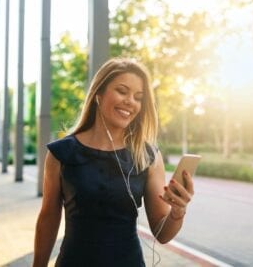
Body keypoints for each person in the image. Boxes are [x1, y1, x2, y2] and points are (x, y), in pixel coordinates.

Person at [32, 57, 194, 267]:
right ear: (99, 94)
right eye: (122, 91)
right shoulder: (61, 153)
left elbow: (162, 234)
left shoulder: (147, 156)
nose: (130, 102)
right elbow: (48, 219)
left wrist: (178, 211)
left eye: (138, 97)